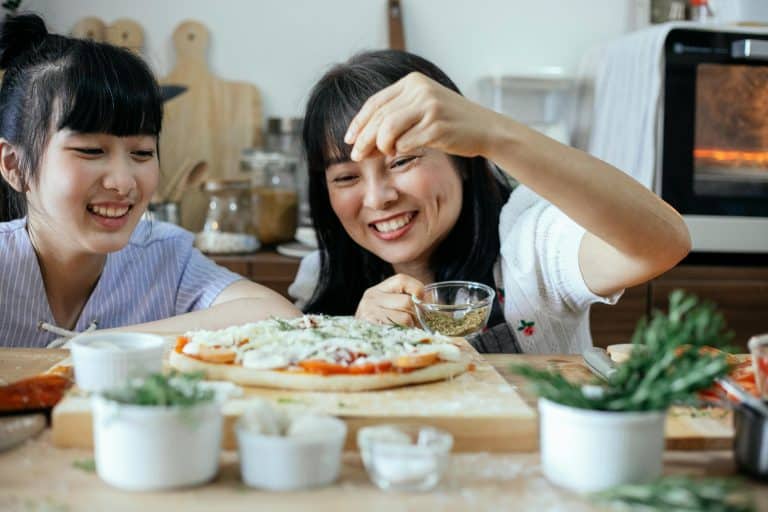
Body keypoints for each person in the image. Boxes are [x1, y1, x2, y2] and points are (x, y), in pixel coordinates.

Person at [288, 50, 691, 354]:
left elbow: (664, 242)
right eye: (346, 177)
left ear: (463, 158)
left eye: (403, 160)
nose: (378, 198)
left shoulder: (527, 244)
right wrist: (353, 339)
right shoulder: (320, 277)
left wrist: (494, 134)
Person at [0, 14, 299, 348]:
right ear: (14, 164)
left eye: (142, 153)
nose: (124, 182)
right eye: (91, 150)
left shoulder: (165, 257)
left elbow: (279, 318)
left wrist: (102, 342)